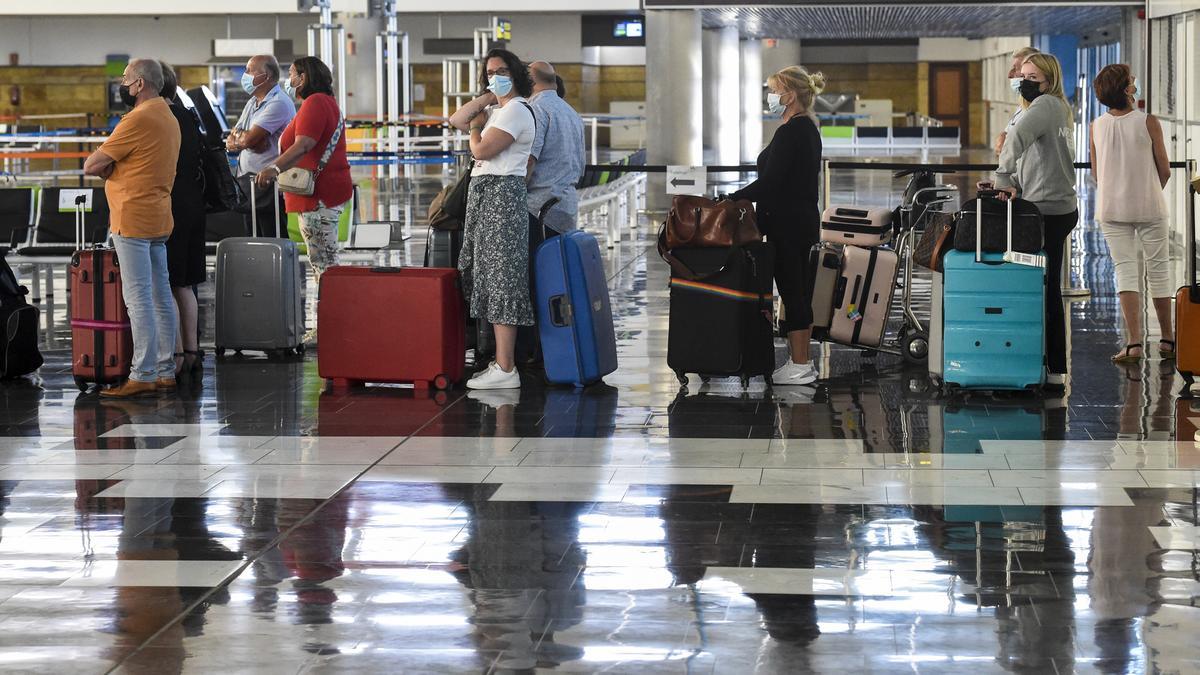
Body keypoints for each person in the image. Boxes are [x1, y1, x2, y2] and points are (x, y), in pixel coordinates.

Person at [82, 58, 181, 397]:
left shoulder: (137, 119)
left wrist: (111, 172)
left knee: (138, 298)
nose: (122, 85)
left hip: (132, 218)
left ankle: (143, 373)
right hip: (158, 216)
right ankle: (166, 369)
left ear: (140, 84)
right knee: (161, 295)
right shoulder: (168, 116)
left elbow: (92, 164)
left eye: (126, 79)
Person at [728, 66, 826, 386]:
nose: (770, 97)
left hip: (787, 225)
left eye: (774, 90)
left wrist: (731, 198)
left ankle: (800, 364)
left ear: (790, 94)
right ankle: (802, 363)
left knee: (792, 292)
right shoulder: (807, 128)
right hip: (802, 221)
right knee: (796, 291)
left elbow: (770, 184)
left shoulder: (790, 131)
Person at [447, 49, 538, 390]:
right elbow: (457, 118)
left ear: (515, 73)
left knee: (503, 279)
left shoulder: (515, 111)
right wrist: (486, 96)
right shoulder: (500, 109)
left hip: (501, 198)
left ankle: (506, 366)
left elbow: (482, 150)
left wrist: (475, 130)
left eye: (501, 71)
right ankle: (499, 363)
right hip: (488, 198)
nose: (495, 75)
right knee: (488, 275)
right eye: (489, 72)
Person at [990, 52, 1079, 392]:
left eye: (1032, 77)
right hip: (1056, 205)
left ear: (1049, 81)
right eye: (1022, 75)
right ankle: (1049, 364)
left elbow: (1014, 140)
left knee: (1044, 291)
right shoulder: (1056, 106)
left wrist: (1002, 178)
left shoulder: (1044, 107)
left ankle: (1053, 367)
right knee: (1044, 287)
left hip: (1047, 211)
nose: (1023, 81)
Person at [255, 56, 352, 347]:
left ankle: (328, 331)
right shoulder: (327, 102)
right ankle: (331, 328)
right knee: (324, 263)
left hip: (318, 196)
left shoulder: (315, 103)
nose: (290, 78)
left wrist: (274, 167)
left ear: (304, 78)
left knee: (323, 265)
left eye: (293, 73)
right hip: (323, 194)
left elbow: (304, 144)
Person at [1089, 63, 1175, 363]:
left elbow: (1097, 173)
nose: (1135, 81)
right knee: (1159, 270)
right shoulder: (1148, 121)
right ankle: (1167, 339)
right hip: (1149, 205)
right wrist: (1150, 189)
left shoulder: (1096, 125)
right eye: (1131, 79)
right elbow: (1164, 168)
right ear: (1127, 89)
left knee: (1125, 270)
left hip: (1111, 208)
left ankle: (1134, 343)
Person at [157, 62, 207, 380]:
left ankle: (174, 357)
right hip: (194, 203)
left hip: (170, 205)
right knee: (184, 284)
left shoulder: (160, 118)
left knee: (166, 283)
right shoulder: (189, 115)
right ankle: (191, 352)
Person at [228, 54, 294, 237]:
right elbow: (234, 136)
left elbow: (248, 140)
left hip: (268, 184)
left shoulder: (278, 102)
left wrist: (247, 140)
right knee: (253, 239)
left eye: (250, 70)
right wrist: (246, 139)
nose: (246, 75)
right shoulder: (252, 102)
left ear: (267, 76)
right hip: (248, 182)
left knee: (271, 237)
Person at [526, 61, 585, 234]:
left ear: (530, 81)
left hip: (537, 209)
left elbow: (529, 159)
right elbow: (580, 166)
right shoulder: (572, 113)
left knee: (534, 260)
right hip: (566, 206)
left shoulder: (536, 109)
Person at [994, 47, 1040, 157]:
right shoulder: (1023, 104)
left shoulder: (1041, 107)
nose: (1010, 75)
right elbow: (1005, 139)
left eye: (1016, 68)